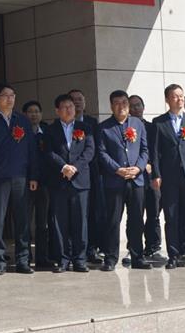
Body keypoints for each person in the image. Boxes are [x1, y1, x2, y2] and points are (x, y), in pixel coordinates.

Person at [0, 84, 38, 275]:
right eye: (5, 95)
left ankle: (23, 260)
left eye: (12, 95)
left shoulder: (22, 121)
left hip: (20, 177)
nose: (10, 99)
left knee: (22, 221)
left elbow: (31, 150)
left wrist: (33, 175)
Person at [151, 84, 185, 269]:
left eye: (181, 96)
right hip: (169, 177)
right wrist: (156, 174)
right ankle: (173, 255)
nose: (180, 99)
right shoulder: (159, 122)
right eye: (175, 96)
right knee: (171, 217)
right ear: (167, 99)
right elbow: (155, 151)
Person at [96, 90, 150, 271]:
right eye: (117, 103)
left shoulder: (138, 124)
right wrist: (117, 169)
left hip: (136, 180)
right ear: (111, 106)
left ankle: (137, 257)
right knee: (113, 221)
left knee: (136, 220)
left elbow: (145, 150)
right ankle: (111, 258)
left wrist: (138, 168)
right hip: (114, 181)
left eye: (124, 103)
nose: (121, 107)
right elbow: (101, 153)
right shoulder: (103, 128)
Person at [44, 94, 95, 273]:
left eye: (71, 106)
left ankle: (80, 259)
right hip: (59, 181)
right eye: (65, 107)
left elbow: (89, 151)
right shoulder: (50, 130)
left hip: (80, 181)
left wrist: (75, 167)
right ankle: (63, 259)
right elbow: (48, 152)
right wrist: (63, 166)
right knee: (60, 222)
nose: (69, 110)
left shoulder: (85, 128)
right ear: (57, 110)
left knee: (80, 221)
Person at [68, 88, 103, 264]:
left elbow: (96, 148)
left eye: (80, 99)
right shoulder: (63, 124)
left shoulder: (92, 123)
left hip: (90, 174)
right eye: (73, 100)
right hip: (68, 174)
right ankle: (71, 251)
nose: (77, 103)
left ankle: (91, 248)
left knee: (92, 212)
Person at [129, 94, 164, 263]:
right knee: (135, 214)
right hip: (134, 176)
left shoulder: (153, 127)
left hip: (152, 176)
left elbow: (158, 151)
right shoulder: (126, 128)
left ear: (143, 107)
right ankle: (133, 249)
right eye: (132, 106)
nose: (136, 108)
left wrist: (153, 168)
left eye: (138, 105)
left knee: (154, 213)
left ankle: (153, 247)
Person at [23, 100, 52, 269]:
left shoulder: (47, 131)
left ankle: (42, 257)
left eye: (36, 111)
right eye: (30, 111)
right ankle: (25, 256)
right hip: (25, 183)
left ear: (41, 114)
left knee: (43, 223)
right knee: (25, 222)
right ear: (24, 115)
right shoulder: (20, 132)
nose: (33, 114)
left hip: (44, 183)